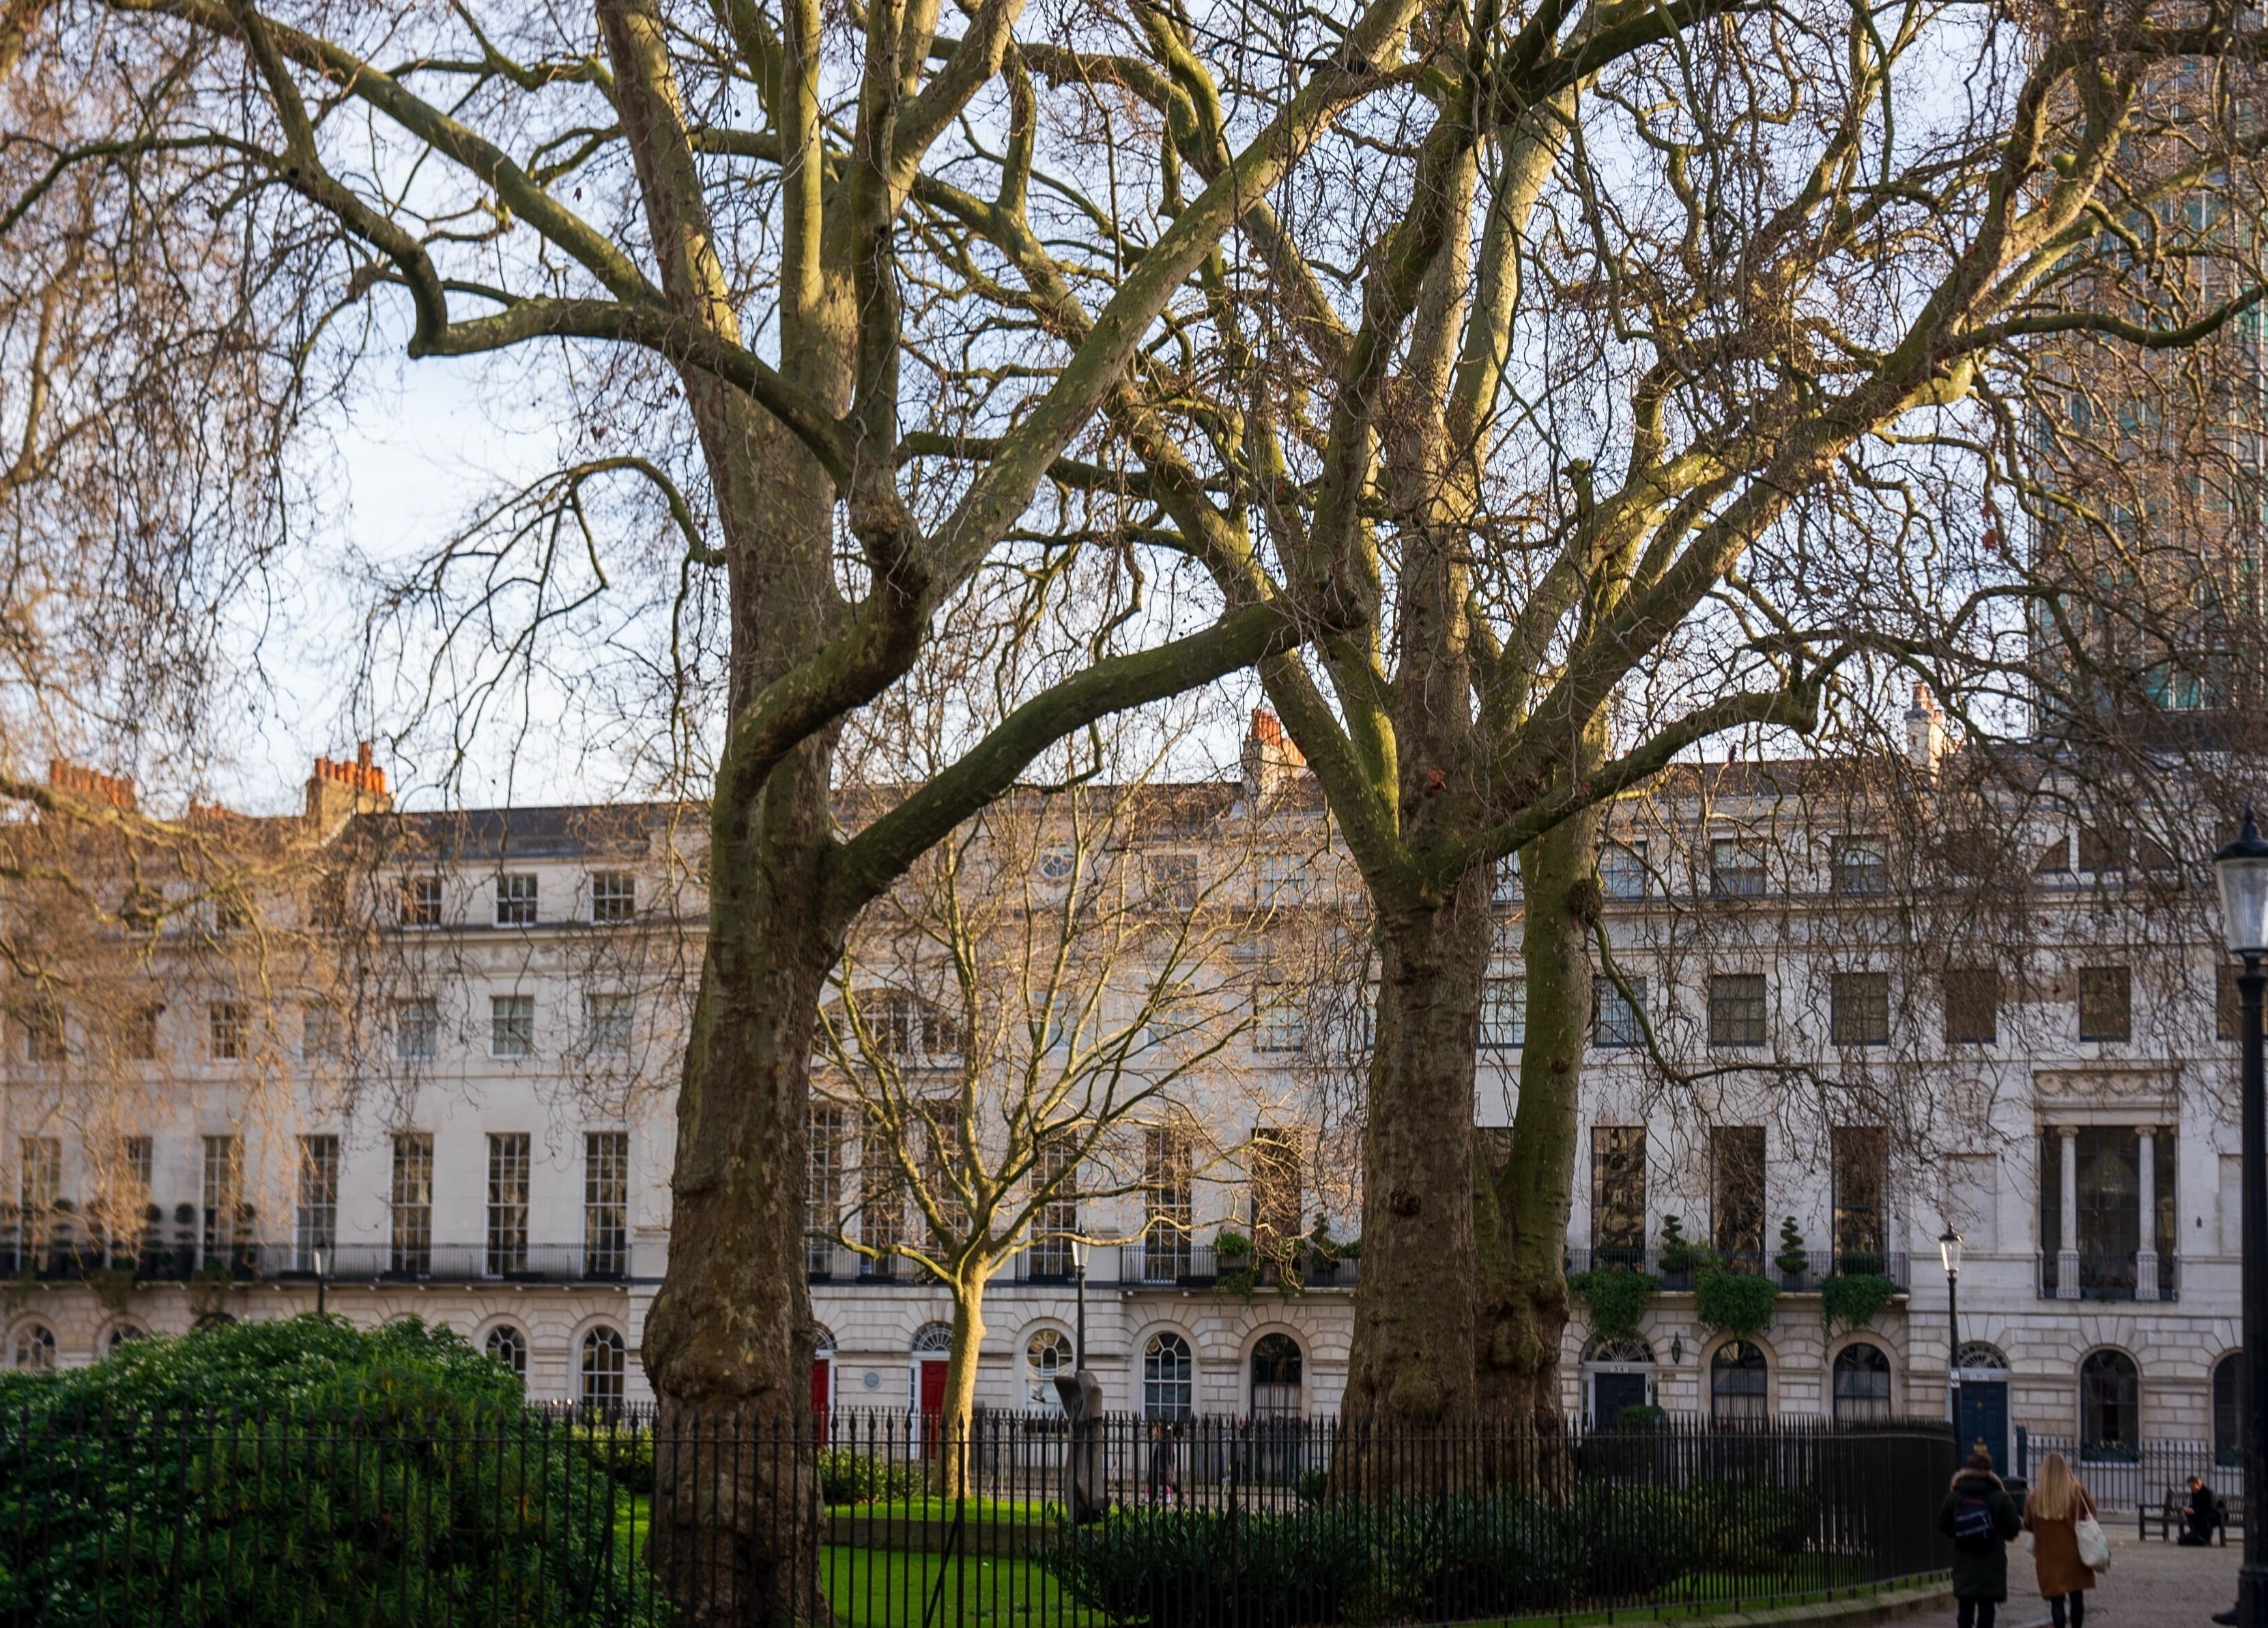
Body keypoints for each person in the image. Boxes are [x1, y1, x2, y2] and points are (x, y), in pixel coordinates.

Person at [1938, 1448, 2024, 1628]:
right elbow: (2013, 1527)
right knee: (1987, 1608)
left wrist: (1960, 1533)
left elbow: (1942, 1523)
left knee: (1965, 1609)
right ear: (1990, 1471)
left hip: (1964, 1561)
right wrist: (2000, 1534)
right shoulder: (2000, 1497)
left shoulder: (1955, 1496)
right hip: (1991, 1561)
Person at [2022, 1451, 2098, 1628]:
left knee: (2057, 1602)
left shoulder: (2036, 1497)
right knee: (2076, 1598)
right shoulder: (2076, 1491)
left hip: (2049, 1557)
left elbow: (2028, 1524)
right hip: (2074, 1554)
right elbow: (2092, 1515)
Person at [2180, 1475, 2222, 1546]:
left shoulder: (2208, 1492)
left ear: (2198, 1484)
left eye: (2193, 1487)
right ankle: (2196, 1534)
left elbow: (2210, 1508)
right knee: (2190, 1515)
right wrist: (2188, 1510)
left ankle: (2207, 1540)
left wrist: (2195, 1511)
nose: (2192, 1489)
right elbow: (2195, 1505)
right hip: (2203, 1512)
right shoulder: (2195, 1492)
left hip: (2217, 1515)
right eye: (2191, 1487)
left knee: (2206, 1518)